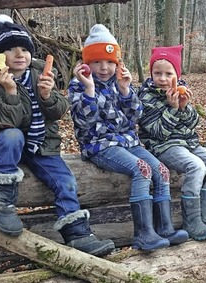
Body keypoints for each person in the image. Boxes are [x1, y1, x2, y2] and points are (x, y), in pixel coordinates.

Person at [0, 15, 114, 257]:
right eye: (10, 50)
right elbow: (4, 120)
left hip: (43, 144)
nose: (19, 54)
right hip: (11, 144)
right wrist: (10, 91)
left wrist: (47, 95)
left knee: (66, 181)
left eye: (24, 49)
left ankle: (77, 233)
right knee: (11, 135)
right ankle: (2, 202)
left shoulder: (41, 71)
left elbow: (60, 110)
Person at [68, 25, 188, 251]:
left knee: (161, 170)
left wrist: (125, 90)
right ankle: (143, 234)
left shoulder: (119, 82)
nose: (104, 68)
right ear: (87, 63)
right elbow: (84, 122)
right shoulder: (78, 85)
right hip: (100, 145)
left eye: (110, 62)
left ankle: (164, 228)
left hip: (129, 142)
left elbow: (136, 115)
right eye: (97, 62)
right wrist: (90, 90)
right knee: (142, 169)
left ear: (117, 63)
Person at [137, 45, 206, 241]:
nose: (162, 78)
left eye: (168, 73)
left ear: (177, 75)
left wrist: (184, 107)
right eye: (157, 73)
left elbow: (193, 124)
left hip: (188, 143)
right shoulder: (145, 96)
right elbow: (158, 133)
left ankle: (205, 215)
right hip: (163, 146)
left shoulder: (182, 90)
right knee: (196, 166)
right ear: (151, 73)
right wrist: (171, 108)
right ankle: (192, 220)